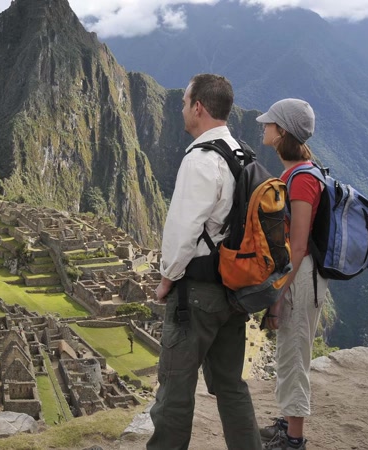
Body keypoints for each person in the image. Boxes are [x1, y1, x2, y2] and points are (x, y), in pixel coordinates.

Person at [147, 73, 262, 450]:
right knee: (231, 385)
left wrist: (167, 279)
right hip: (234, 289)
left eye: (184, 103)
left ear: (198, 107)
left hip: (196, 295)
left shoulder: (202, 158)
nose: (181, 109)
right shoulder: (242, 153)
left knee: (175, 390)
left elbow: (183, 230)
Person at [256, 99, 325, 450]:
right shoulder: (298, 173)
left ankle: (293, 440)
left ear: (282, 131)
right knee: (288, 350)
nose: (264, 126)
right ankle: (286, 424)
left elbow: (296, 246)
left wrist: (277, 298)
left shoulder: (301, 181)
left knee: (295, 354)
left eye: (269, 123)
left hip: (299, 276)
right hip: (297, 273)